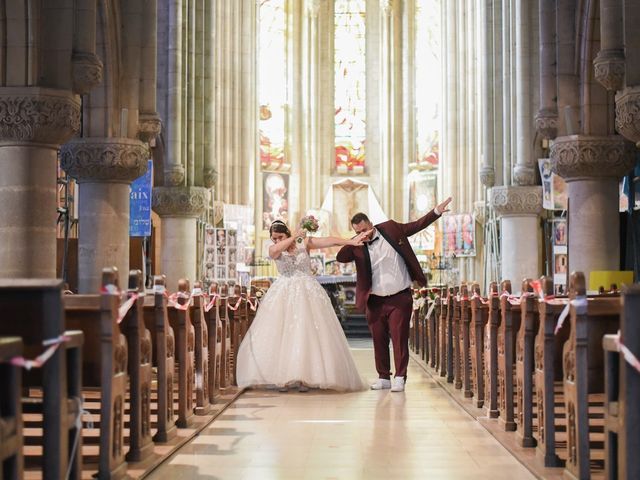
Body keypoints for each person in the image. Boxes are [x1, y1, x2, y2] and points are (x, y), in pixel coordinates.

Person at [235, 220, 371, 392]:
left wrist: (350, 241)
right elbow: (276, 251)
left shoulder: (303, 242)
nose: (276, 241)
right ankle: (282, 378)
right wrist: (291, 237)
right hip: (284, 293)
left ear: (286, 232)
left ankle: (305, 378)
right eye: (274, 238)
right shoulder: (273, 248)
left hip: (308, 292)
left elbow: (329, 240)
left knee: (306, 334)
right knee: (282, 334)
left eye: (279, 237)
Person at [336, 197, 452, 392]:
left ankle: (400, 376)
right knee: (378, 339)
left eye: (365, 230)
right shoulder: (357, 246)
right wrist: (354, 241)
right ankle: (383, 377)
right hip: (375, 300)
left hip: (399, 297)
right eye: (358, 232)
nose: (363, 234)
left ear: (371, 224)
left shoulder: (390, 228)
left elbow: (416, 226)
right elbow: (341, 257)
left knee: (399, 338)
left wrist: (436, 212)